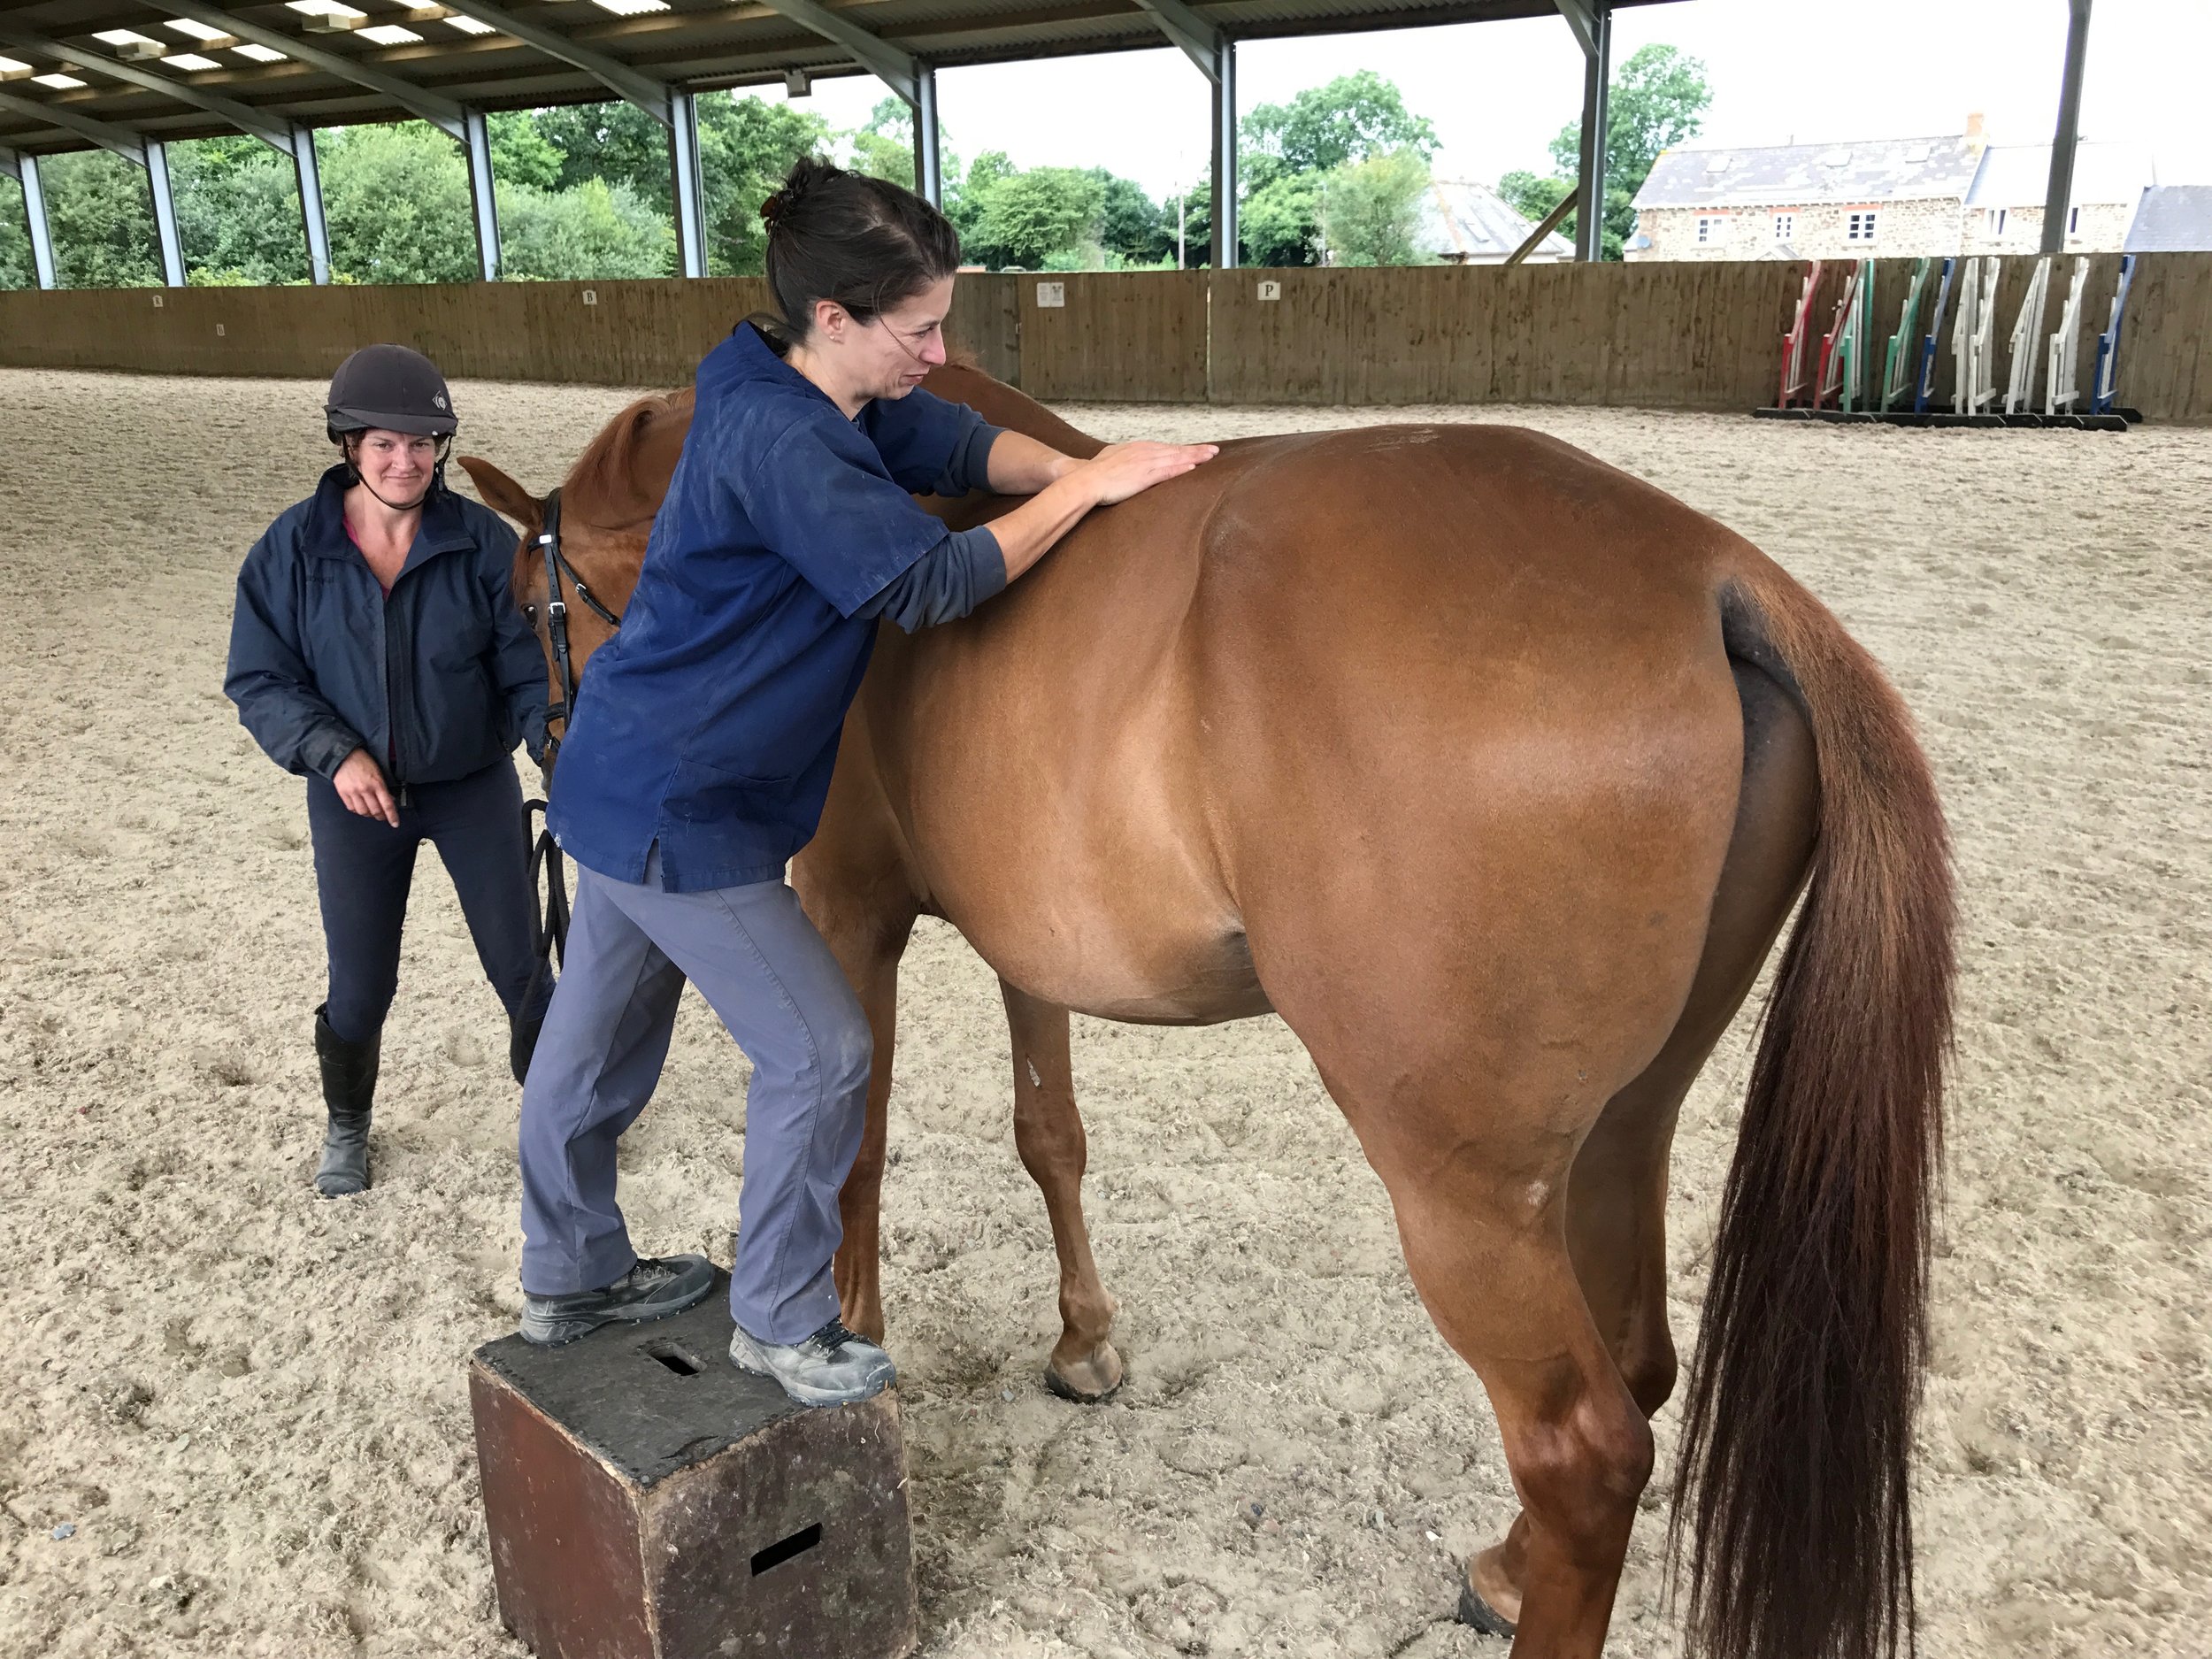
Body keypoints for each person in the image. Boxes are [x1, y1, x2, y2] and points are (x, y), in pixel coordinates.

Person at [515, 157, 1217, 1404]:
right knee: (824, 1052)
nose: (940, 350)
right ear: (834, 318)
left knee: (591, 1046)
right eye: (920, 326)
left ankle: (571, 1269)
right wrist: (1095, 485)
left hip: (617, 770)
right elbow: (927, 583)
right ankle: (783, 1316)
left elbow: (936, 430)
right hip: (691, 803)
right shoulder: (784, 445)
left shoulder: (763, 370)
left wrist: (1051, 463)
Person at [227, 344, 553, 1198]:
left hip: (471, 786)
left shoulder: (483, 544)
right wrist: (334, 753)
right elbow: (259, 677)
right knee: (360, 984)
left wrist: (557, 752)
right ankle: (348, 1123)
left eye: (422, 444)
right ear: (348, 445)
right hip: (353, 799)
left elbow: (526, 670)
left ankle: (561, 1116)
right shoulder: (291, 550)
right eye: (384, 444)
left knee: (521, 966)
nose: (405, 461)